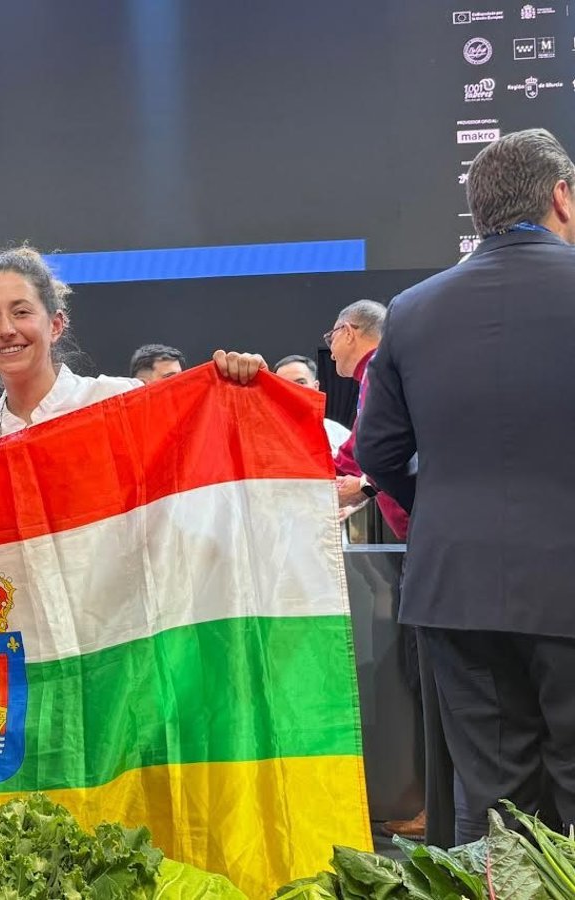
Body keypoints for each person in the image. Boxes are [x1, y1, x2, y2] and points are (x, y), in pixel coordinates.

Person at [358, 128, 575, 844]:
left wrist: (444, 506)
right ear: (561, 198)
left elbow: (378, 451)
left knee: (497, 815)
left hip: (457, 593)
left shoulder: (412, 310)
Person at [0, 246, 264, 449]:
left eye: (21, 312)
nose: (6, 330)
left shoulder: (117, 401)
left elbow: (205, 445)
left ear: (55, 325)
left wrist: (244, 390)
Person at [324, 301, 410, 539]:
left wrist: (366, 485)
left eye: (331, 339)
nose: (331, 353)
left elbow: (399, 444)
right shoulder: (377, 376)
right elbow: (351, 459)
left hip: (427, 526)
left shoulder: (384, 372)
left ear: (348, 332)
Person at [272, 354, 351, 454]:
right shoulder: (264, 437)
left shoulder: (339, 435)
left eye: (300, 382)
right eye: (285, 384)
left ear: (315, 386)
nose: (292, 389)